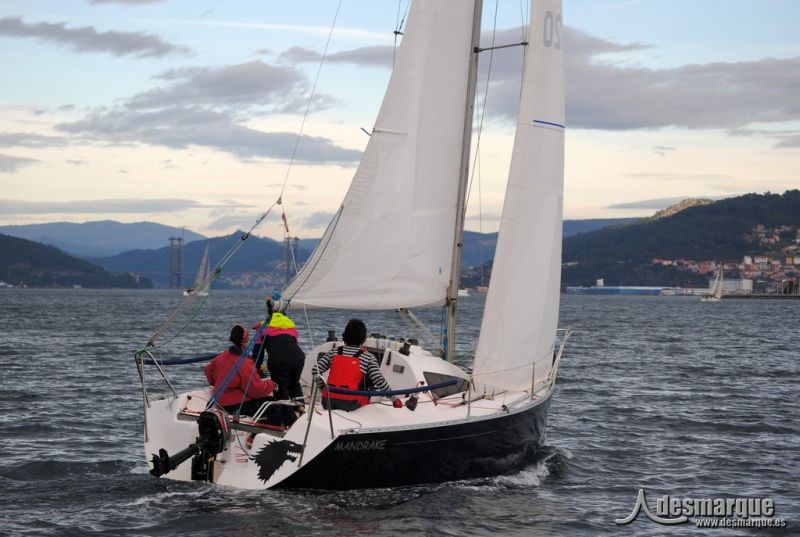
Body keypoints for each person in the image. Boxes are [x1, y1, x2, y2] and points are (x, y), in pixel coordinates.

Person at [313, 318, 402, 411]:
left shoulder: (334, 352)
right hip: (349, 403)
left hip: (327, 400)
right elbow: (378, 380)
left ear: (345, 335)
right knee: (367, 394)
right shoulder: (368, 357)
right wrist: (394, 398)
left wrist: (322, 387)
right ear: (363, 338)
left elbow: (315, 370)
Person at [204, 324, 276, 417]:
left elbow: (208, 371)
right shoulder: (245, 362)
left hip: (222, 402)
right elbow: (255, 390)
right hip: (237, 405)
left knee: (271, 402)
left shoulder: (221, 356)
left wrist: (220, 383)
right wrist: (272, 384)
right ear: (245, 341)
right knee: (276, 407)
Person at [254, 299, 306, 426]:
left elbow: (258, 352)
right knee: (294, 384)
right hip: (298, 358)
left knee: (281, 391)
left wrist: (256, 368)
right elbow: (292, 343)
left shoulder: (263, 326)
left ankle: (291, 423)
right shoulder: (290, 324)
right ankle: (301, 409)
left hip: (278, 361)